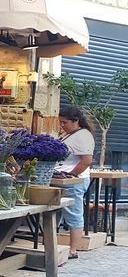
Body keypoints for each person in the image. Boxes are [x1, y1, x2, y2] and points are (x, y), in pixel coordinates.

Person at [56, 105, 96, 256]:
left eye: (64, 122)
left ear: (75, 121)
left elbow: (86, 160)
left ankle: (73, 249)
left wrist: (71, 175)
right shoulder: (70, 134)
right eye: (60, 122)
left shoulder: (83, 135)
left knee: (73, 213)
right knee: (57, 212)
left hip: (74, 181)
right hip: (64, 179)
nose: (62, 125)